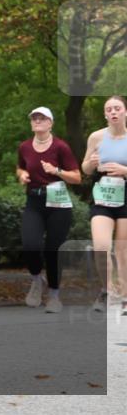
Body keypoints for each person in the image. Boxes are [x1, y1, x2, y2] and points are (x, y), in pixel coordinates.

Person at [15, 106, 81, 314]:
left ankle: (54, 295)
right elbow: (20, 166)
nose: (37, 121)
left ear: (50, 123)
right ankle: (37, 280)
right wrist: (22, 175)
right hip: (34, 201)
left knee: (53, 250)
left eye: (42, 118)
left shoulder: (61, 147)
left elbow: (77, 177)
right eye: (34, 118)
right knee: (30, 244)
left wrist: (56, 171)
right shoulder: (25, 147)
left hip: (58, 204)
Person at [82, 95, 127, 313]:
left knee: (123, 251)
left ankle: (125, 296)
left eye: (117, 108)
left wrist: (125, 171)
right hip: (103, 194)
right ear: (105, 114)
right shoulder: (96, 137)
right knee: (101, 247)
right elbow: (85, 168)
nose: (113, 112)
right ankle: (107, 291)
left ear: (125, 112)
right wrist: (89, 164)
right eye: (109, 109)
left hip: (125, 194)